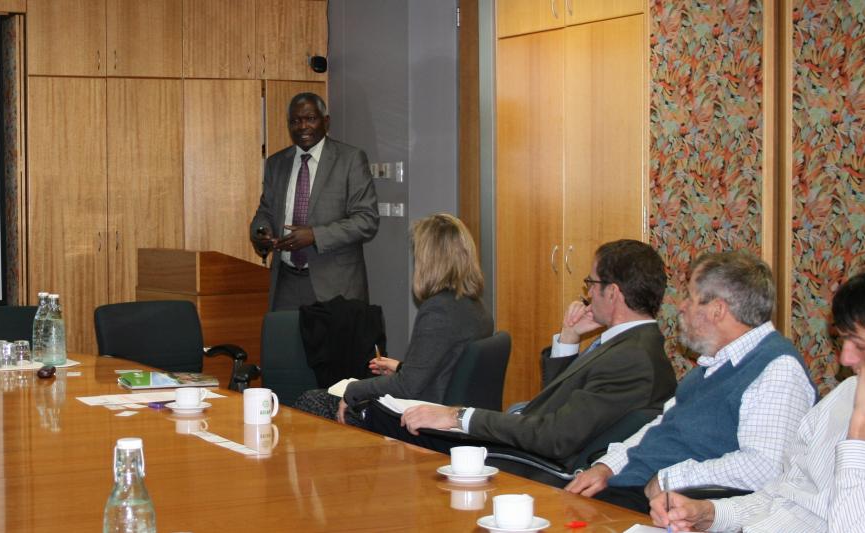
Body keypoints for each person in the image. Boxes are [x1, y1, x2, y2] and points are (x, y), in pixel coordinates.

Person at [374, 240, 677, 468]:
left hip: (530, 461)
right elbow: (562, 401)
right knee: (392, 415)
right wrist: (569, 339)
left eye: (591, 283)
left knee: (385, 420)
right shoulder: (631, 344)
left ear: (612, 293)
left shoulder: (631, 359)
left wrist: (458, 416)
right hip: (523, 434)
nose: (587, 293)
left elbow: (556, 437)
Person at [565, 251, 817, 513]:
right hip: (630, 487)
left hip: (669, 506)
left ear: (718, 309)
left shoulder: (778, 369)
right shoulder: (712, 364)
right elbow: (663, 424)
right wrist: (609, 466)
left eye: (691, 297)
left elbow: (765, 467)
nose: (681, 306)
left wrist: (671, 479)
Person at [650, 263, 865, 533]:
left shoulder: (855, 413)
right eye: (844, 342)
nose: (846, 358)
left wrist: (861, 436)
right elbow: (786, 495)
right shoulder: (845, 394)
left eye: (862, 345)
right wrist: (710, 514)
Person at [293, 214, 493, 427]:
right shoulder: (474, 306)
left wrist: (354, 391)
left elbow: (408, 388)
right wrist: (400, 368)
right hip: (451, 414)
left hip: (423, 419)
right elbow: (445, 370)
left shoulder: (438, 311)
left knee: (311, 400)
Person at [249, 92, 379, 311]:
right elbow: (266, 211)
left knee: (334, 347)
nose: (303, 126)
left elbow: (367, 220)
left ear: (326, 121)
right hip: (286, 283)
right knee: (284, 345)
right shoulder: (276, 163)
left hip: (336, 285)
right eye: (295, 121)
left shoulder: (350, 159)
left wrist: (315, 236)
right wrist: (260, 232)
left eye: (310, 119)